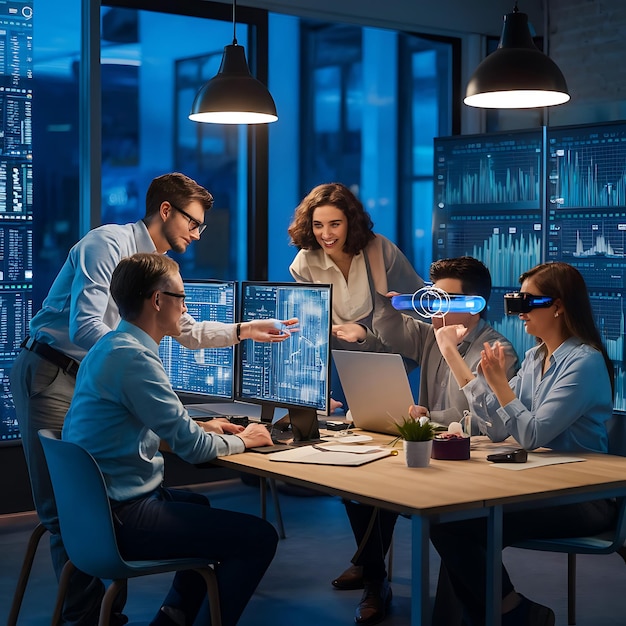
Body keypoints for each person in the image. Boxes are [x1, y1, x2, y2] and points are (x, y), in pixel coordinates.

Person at [10, 172, 298, 626]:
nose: (197, 233)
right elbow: (89, 328)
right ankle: (86, 619)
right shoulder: (107, 245)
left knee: (142, 499)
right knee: (65, 511)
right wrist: (132, 370)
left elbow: (177, 328)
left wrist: (242, 330)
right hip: (51, 370)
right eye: (194, 222)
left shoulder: (152, 278)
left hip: (93, 372)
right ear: (166, 210)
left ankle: (154, 615)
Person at [62, 252, 280, 626]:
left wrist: (207, 426)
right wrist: (248, 438)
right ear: (157, 300)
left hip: (95, 513)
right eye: (181, 297)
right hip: (124, 517)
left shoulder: (109, 347)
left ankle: (173, 617)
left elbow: (141, 425)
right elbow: (192, 450)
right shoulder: (135, 360)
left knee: (199, 504)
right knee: (259, 538)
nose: (185, 307)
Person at [331, 256, 519, 626]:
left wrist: (423, 417)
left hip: (468, 464)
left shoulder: (497, 351)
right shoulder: (434, 334)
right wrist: (384, 305)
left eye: (447, 299)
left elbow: (476, 423)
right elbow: (393, 331)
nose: (436, 306)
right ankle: (373, 576)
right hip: (427, 451)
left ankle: (370, 572)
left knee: (399, 499)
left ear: (473, 305)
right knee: (360, 488)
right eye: (434, 297)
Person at [430, 261, 616, 626]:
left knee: (458, 527)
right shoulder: (534, 358)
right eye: (516, 301)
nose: (518, 313)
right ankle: (509, 610)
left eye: (527, 302)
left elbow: (533, 434)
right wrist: (460, 362)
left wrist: (495, 382)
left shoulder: (585, 362)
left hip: (584, 496)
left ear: (558, 306)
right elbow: (498, 430)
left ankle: (510, 612)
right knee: (450, 521)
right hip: (539, 485)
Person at [287, 182, 425, 406]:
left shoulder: (380, 251)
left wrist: (363, 333)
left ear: (350, 223)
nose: (326, 234)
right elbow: (312, 332)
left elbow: (415, 323)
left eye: (335, 224)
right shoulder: (304, 263)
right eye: (318, 225)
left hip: (397, 356)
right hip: (344, 362)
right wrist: (314, 392)